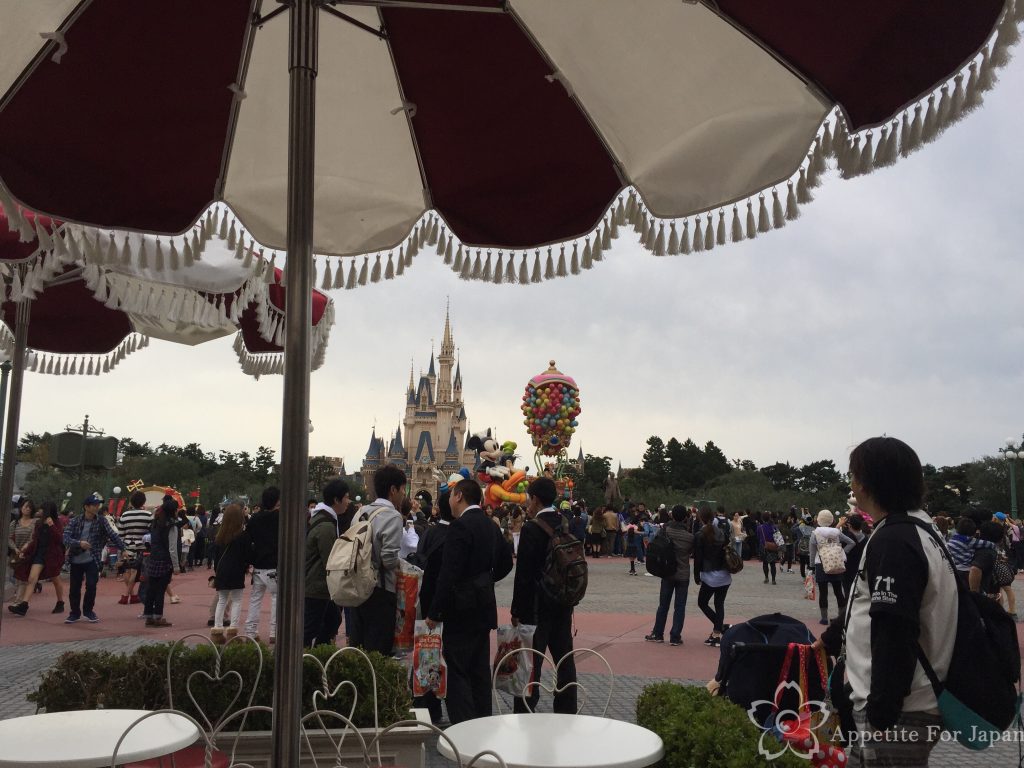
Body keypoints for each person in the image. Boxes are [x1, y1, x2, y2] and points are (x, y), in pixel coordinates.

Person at [828, 436, 957, 767]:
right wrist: (831, 637)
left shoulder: (894, 540)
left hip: (900, 711)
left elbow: (895, 627)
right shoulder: (920, 529)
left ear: (872, 482)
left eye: (854, 475)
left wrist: (882, 713)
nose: (852, 485)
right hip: (914, 701)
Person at [426, 478, 513, 725]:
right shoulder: (490, 525)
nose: (451, 500)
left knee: (457, 669)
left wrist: (434, 612)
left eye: (452, 494)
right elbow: (506, 562)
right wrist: (486, 579)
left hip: (460, 608)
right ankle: (482, 723)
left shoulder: (459, 527)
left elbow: (448, 573)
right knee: (479, 669)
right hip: (484, 607)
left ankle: (463, 727)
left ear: (460, 496)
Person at [511, 477, 577, 714]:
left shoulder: (532, 528)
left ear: (535, 499)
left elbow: (524, 575)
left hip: (537, 606)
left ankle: (526, 710)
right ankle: (567, 708)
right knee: (564, 658)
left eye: (529, 498)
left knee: (531, 662)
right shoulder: (565, 522)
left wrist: (516, 610)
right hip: (562, 602)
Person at [348, 464, 405, 655]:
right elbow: (388, 560)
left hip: (357, 587)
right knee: (377, 651)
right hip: (380, 591)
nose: (403, 494)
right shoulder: (393, 516)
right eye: (402, 489)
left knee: (358, 648)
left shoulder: (361, 512)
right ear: (393, 489)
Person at [414, 486, 455, 724]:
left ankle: (430, 707)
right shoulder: (461, 533)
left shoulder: (430, 533)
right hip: (456, 609)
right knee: (451, 658)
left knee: (430, 656)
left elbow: (420, 564)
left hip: (430, 607)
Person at [62, 494, 125, 623]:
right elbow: (65, 537)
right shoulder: (75, 521)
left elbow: (113, 535)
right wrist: (79, 543)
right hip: (76, 559)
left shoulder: (101, 520)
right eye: (94, 505)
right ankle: (74, 613)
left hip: (93, 558)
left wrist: (123, 549)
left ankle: (88, 611)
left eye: (98, 505)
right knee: (74, 587)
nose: (97, 507)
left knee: (91, 585)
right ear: (86, 507)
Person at [303, 479, 351, 647]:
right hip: (316, 586)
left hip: (318, 585)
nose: (348, 501)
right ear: (336, 500)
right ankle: (304, 659)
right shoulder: (326, 526)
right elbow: (330, 560)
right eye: (346, 497)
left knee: (332, 620)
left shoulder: (324, 518)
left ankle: (316, 654)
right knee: (310, 628)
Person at [645, 504, 695, 646]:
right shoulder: (690, 537)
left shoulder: (665, 530)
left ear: (672, 516)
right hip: (683, 574)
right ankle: (675, 636)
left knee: (663, 605)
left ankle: (658, 633)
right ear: (686, 517)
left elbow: (654, 545)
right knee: (680, 607)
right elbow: (691, 552)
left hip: (667, 573)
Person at [8, 501, 66, 616]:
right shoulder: (39, 523)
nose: (40, 511)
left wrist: (52, 525)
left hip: (52, 556)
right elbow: (35, 540)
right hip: (39, 554)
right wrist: (26, 551)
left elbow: (59, 539)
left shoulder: (56, 522)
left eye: (42, 510)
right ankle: (24, 605)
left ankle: (60, 602)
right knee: (32, 578)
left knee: (55, 579)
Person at [245, 486, 280, 642]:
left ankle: (250, 632)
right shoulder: (280, 518)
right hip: (275, 564)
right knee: (276, 599)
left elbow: (248, 540)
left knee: (255, 599)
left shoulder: (255, 518)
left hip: (259, 565)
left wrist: (252, 559)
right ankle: (274, 631)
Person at [808, 509, 855, 625]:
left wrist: (811, 566)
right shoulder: (837, 532)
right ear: (832, 520)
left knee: (823, 593)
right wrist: (842, 553)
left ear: (818, 520)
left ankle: (824, 618)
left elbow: (812, 552)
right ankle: (841, 617)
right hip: (836, 563)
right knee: (838, 591)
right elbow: (851, 542)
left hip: (821, 563)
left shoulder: (815, 533)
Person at [693, 506, 731, 647]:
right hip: (725, 574)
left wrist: (696, 575)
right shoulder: (721, 532)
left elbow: (698, 558)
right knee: (719, 604)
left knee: (702, 603)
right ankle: (717, 632)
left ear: (700, 518)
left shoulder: (700, 535)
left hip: (710, 575)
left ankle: (719, 629)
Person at [212, 503, 250, 643]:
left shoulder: (220, 536)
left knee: (222, 600)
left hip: (222, 571)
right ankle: (232, 631)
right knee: (237, 600)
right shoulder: (242, 535)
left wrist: (216, 571)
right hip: (236, 570)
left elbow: (215, 557)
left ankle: (217, 630)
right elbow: (247, 554)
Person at [141, 496, 179, 627]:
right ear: (173, 511)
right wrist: (176, 566)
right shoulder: (171, 526)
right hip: (165, 560)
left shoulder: (156, 522)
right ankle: (158, 617)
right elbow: (172, 548)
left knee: (151, 588)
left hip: (154, 557)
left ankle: (148, 615)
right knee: (160, 590)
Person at [117, 492, 152, 605]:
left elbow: (120, 533)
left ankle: (131, 595)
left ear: (131, 502)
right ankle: (127, 595)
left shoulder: (125, 515)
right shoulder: (148, 515)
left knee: (127, 571)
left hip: (127, 546)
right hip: (141, 547)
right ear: (144, 501)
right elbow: (150, 533)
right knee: (135, 571)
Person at [968, 520, 1005, 600]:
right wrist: (976, 594)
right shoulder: (987, 552)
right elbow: (975, 569)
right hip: (982, 596)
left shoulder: (984, 548)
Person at [756, 512, 780, 585]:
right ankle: (773, 580)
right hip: (773, 547)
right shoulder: (774, 527)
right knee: (773, 564)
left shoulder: (760, 527)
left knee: (765, 563)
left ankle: (766, 578)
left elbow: (758, 537)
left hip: (764, 547)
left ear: (762, 519)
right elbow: (778, 538)